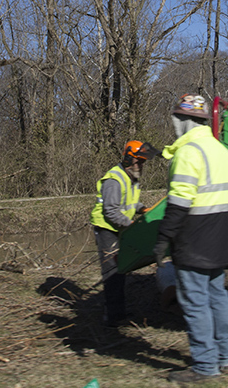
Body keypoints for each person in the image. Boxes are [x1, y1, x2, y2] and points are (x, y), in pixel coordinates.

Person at [153, 94, 228, 383]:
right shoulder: (220, 150)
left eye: (176, 119)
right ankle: (226, 357)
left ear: (186, 121)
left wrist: (163, 239)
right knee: (218, 297)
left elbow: (178, 203)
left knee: (195, 302)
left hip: (195, 240)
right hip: (221, 237)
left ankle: (204, 365)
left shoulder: (188, 153)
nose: (174, 124)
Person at [90, 139, 158, 326]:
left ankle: (117, 311)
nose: (142, 165)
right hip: (107, 229)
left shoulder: (130, 177)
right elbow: (111, 211)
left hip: (118, 228)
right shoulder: (114, 180)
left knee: (121, 270)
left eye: (143, 161)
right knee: (113, 273)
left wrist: (142, 209)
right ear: (129, 159)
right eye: (139, 161)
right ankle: (113, 317)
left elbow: (128, 201)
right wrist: (132, 226)